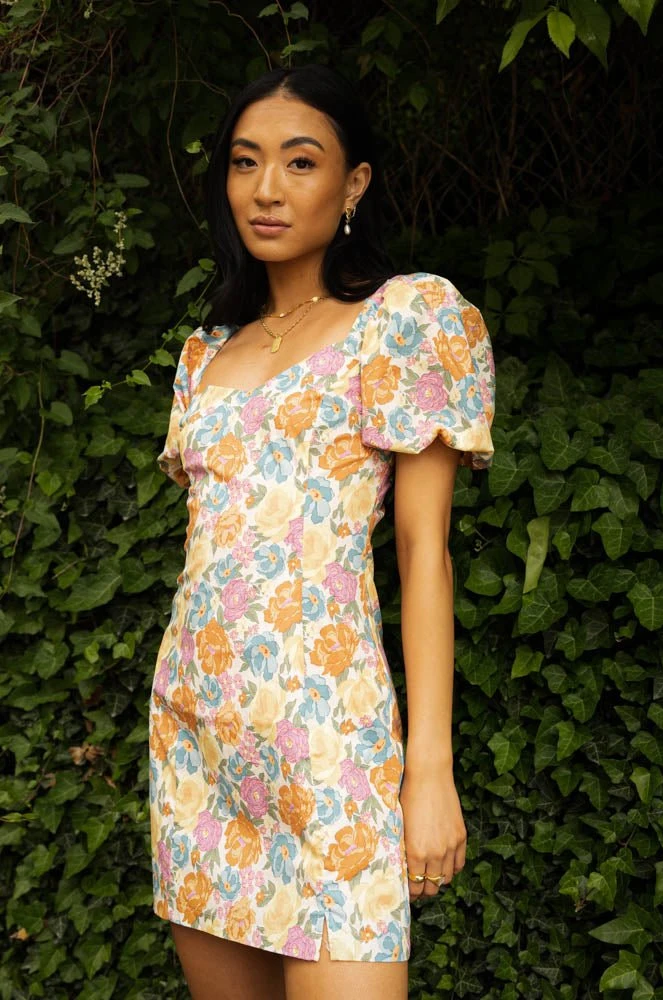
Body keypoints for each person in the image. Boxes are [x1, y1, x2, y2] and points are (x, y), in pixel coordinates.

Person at [148, 63, 495, 1000]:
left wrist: (429, 772)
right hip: (198, 745)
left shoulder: (406, 318)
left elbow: (423, 555)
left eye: (299, 162)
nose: (266, 188)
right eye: (244, 161)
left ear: (353, 184)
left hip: (329, 743)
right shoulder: (204, 353)